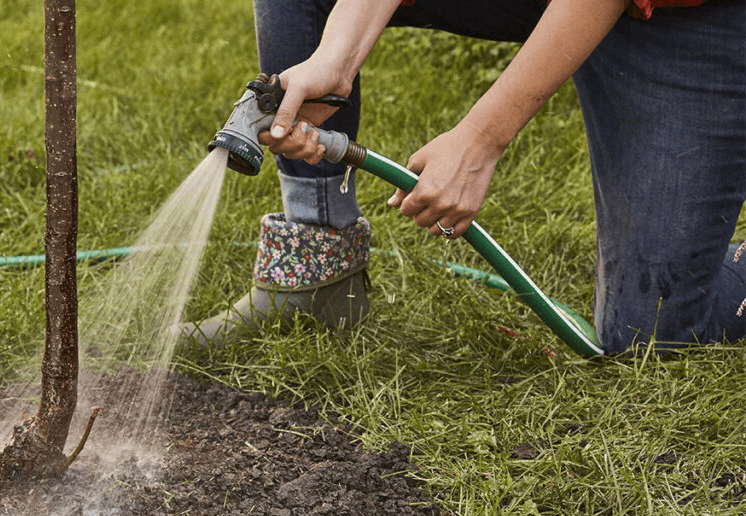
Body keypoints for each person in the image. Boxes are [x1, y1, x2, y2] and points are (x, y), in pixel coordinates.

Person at [184, 0, 745, 354]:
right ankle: (315, 267)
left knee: (653, 333)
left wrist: (480, 139)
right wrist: (337, 56)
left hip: (692, 17)